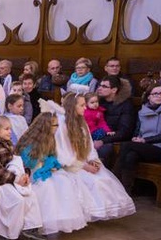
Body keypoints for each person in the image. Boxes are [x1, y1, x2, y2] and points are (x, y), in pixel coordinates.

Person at [54, 93, 135, 221]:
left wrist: (93, 160)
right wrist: (84, 166)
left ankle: (99, 212)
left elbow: (89, 146)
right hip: (71, 165)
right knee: (89, 183)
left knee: (102, 180)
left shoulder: (82, 123)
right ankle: (82, 215)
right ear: (72, 106)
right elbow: (63, 153)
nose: (85, 108)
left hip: (86, 161)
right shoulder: (62, 125)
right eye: (81, 105)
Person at [16, 113, 88, 235]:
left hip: (46, 170)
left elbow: (52, 156)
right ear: (46, 126)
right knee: (47, 186)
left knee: (64, 181)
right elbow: (29, 162)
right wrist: (46, 163)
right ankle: (41, 222)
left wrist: (51, 164)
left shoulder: (51, 138)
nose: (57, 128)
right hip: (32, 173)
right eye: (55, 125)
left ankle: (61, 219)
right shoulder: (30, 141)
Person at [0, 116, 45, 240]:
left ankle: (30, 228)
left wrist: (25, 173)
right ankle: (12, 234)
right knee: (17, 200)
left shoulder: (8, 144)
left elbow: (16, 162)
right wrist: (16, 179)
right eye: (6, 129)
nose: (10, 132)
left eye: (10, 129)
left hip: (11, 179)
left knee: (31, 196)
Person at [113, 84, 161, 194]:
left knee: (126, 145)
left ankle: (113, 182)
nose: (159, 96)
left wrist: (145, 140)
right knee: (130, 156)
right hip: (142, 147)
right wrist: (136, 138)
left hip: (160, 148)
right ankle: (125, 192)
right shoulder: (141, 112)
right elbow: (137, 131)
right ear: (148, 96)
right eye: (155, 93)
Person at [95, 75, 136, 166]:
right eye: (100, 85)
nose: (99, 88)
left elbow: (125, 132)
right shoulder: (97, 102)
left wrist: (103, 141)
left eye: (104, 86)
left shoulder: (126, 105)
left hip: (113, 141)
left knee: (104, 150)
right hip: (97, 136)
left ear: (114, 90)